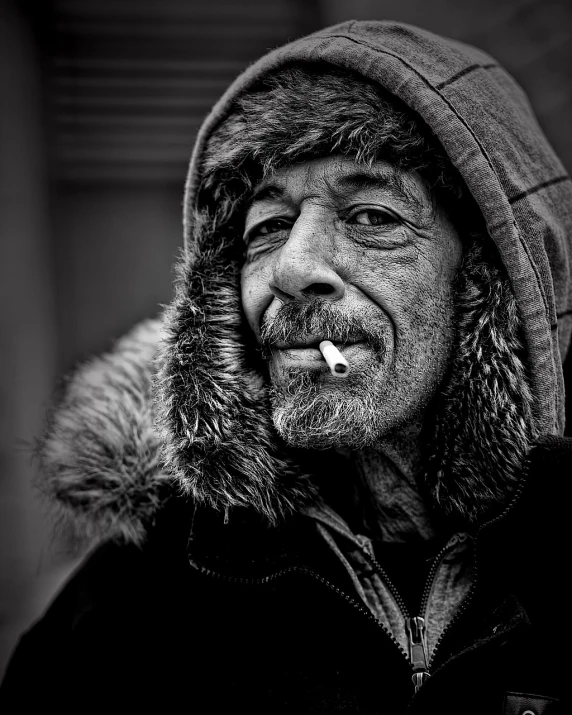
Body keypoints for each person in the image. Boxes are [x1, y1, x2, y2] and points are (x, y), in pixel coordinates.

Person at [1, 20, 571, 715]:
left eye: (369, 214)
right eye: (267, 227)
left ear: (490, 283)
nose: (293, 268)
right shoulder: (142, 596)